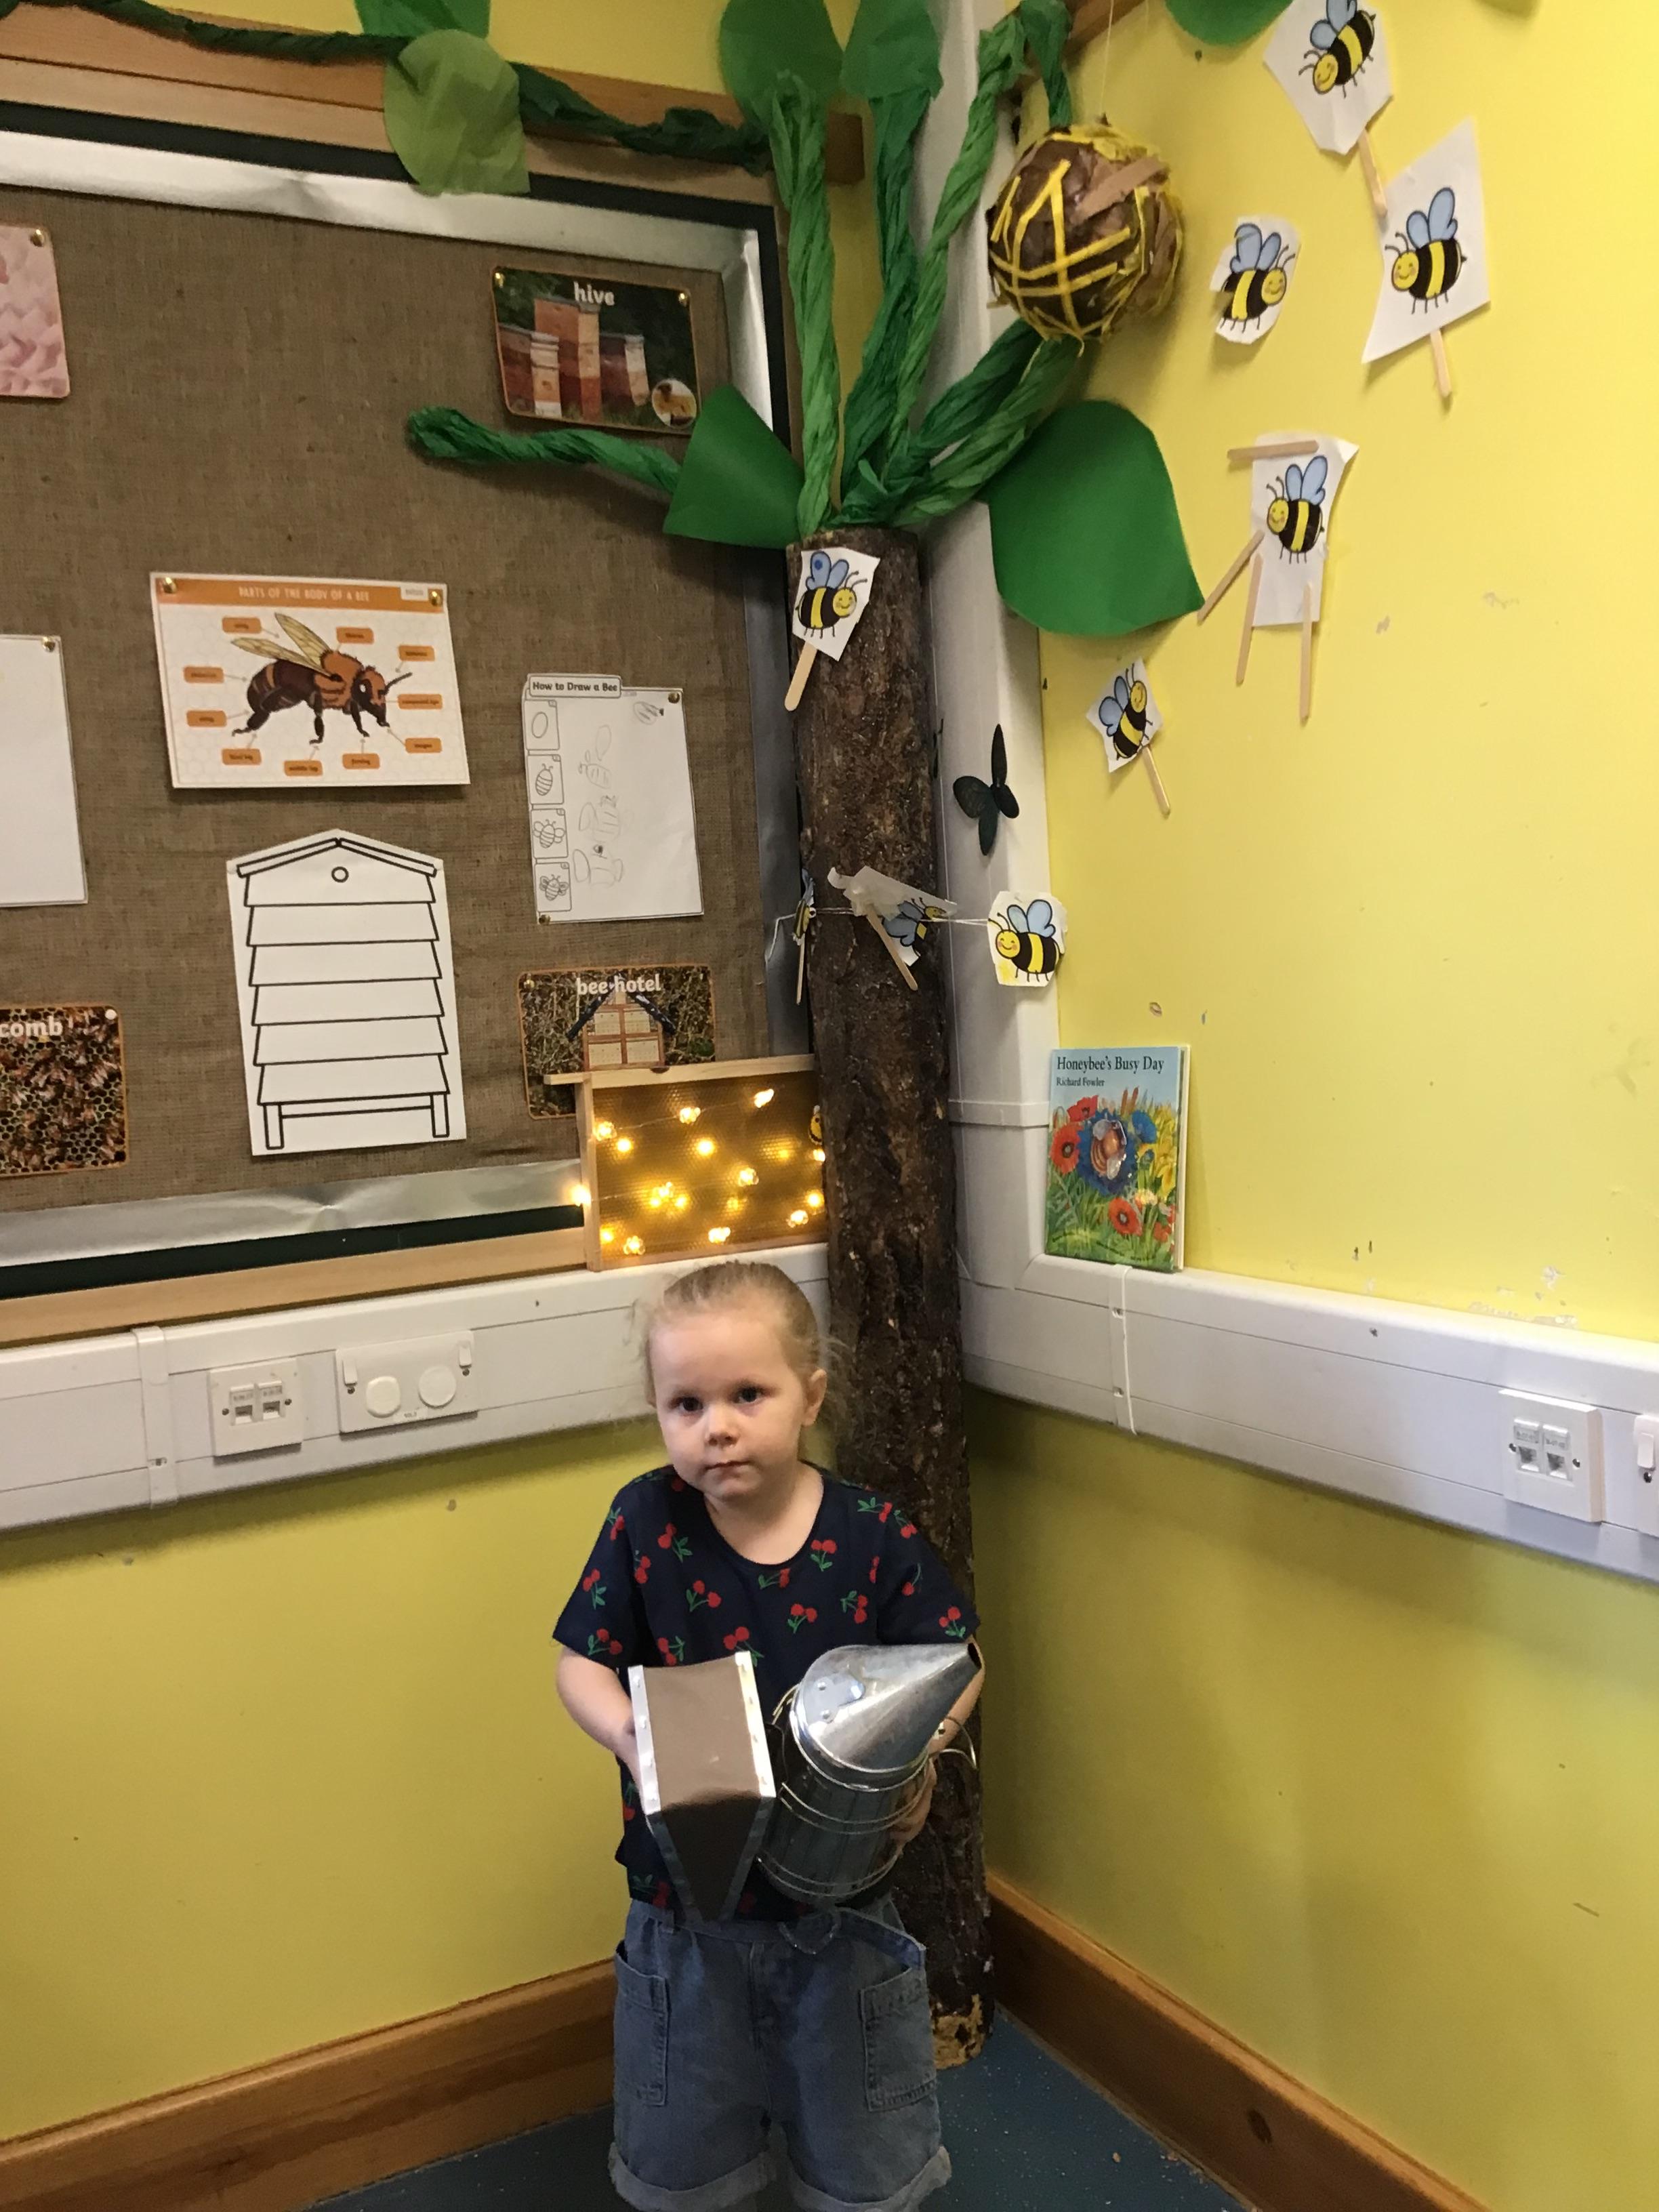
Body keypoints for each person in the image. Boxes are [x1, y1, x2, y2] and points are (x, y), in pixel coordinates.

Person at [554, 1258, 983, 2212]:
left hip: (843, 1909)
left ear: (811, 1396)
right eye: (686, 1404)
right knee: (687, 2144)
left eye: (748, 1394)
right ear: (659, 1413)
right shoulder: (644, 1521)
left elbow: (958, 1660)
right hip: (684, 1911)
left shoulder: (870, 1532)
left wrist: (919, 1757)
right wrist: (636, 1740)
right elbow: (579, 1666)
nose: (717, 1426)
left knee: (861, 2141)